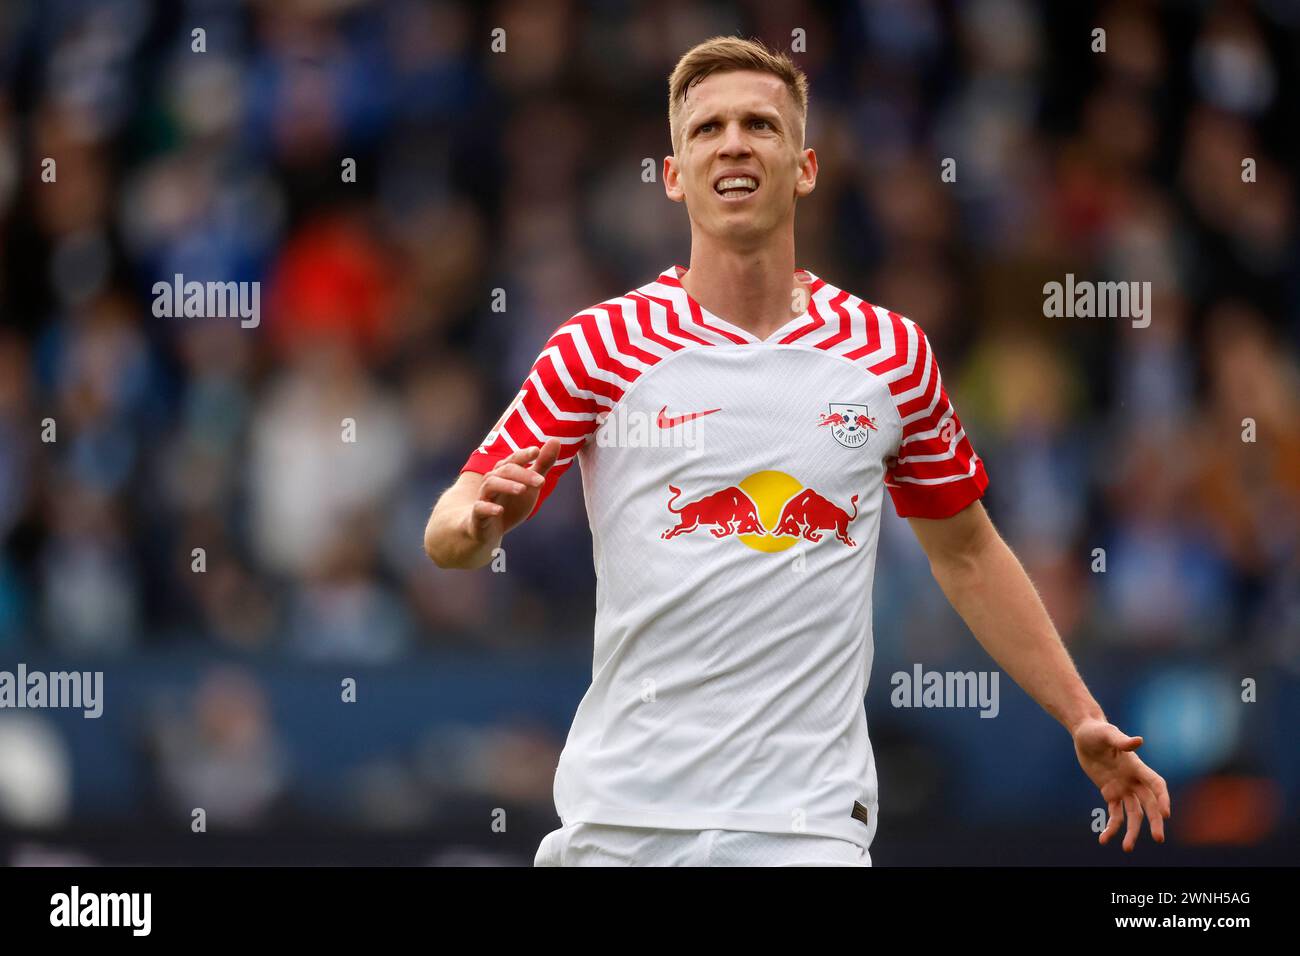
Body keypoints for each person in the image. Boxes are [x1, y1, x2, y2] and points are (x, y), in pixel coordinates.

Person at [424, 36, 1171, 867]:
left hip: (804, 828)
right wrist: (482, 524)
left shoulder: (889, 356)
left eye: (760, 125)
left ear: (806, 167)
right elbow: (449, 527)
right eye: (707, 129)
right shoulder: (600, 344)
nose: (735, 142)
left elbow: (967, 554)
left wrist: (1080, 714)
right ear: (674, 176)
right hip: (623, 818)